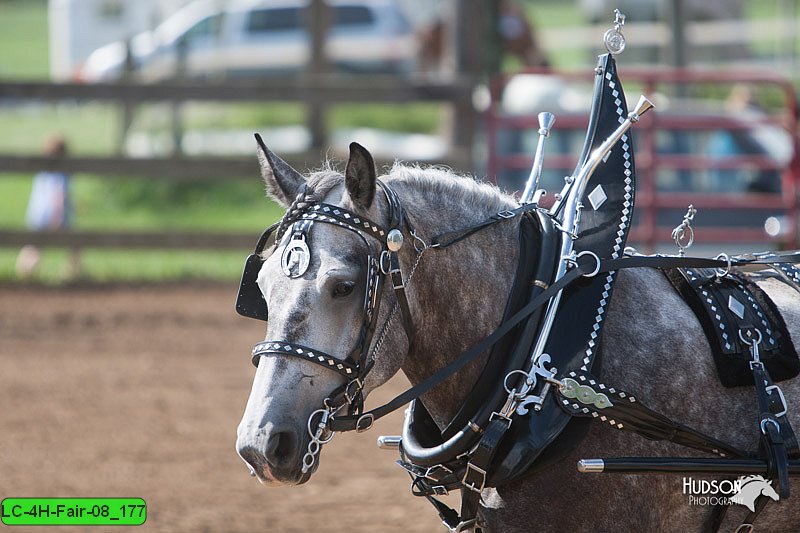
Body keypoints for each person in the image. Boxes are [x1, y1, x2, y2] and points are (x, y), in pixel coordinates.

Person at [16, 135, 80, 279]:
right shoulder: (61, 173)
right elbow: (59, 195)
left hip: (37, 215)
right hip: (54, 214)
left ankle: (24, 270)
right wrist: (57, 216)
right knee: (74, 244)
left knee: (34, 246)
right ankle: (73, 272)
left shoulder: (42, 172)